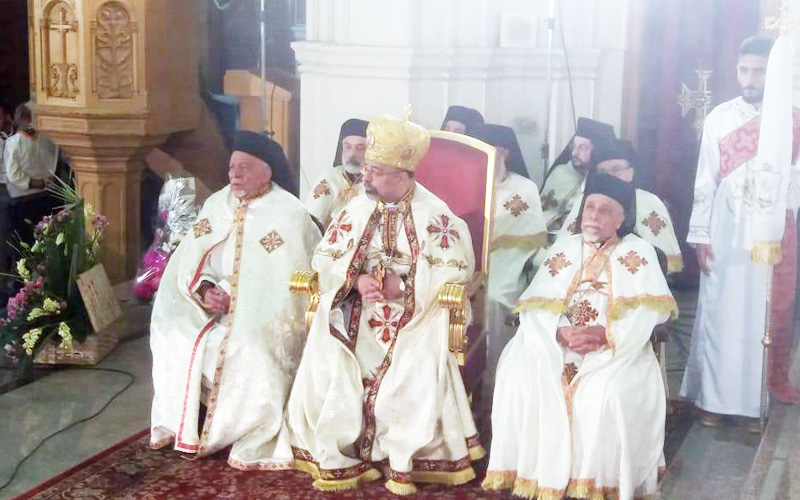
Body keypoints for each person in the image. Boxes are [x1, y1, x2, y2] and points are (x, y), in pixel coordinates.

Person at [288, 113, 485, 495]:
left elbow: (455, 272)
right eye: (367, 168)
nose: (366, 177)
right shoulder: (356, 207)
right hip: (358, 305)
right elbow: (325, 257)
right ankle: (344, 447)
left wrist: (405, 287)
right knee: (331, 342)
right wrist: (355, 281)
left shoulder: (435, 215)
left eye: (376, 172)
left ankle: (398, 453)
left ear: (403, 175)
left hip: (418, 312)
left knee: (415, 359)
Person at [483, 173, 677, 500]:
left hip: (614, 350)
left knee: (604, 394)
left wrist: (606, 333)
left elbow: (650, 313)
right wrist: (559, 329)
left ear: (622, 218)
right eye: (590, 208)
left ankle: (593, 483)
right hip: (555, 341)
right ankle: (534, 475)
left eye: (605, 210)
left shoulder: (639, 252)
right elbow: (536, 301)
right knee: (518, 375)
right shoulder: (564, 248)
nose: (594, 216)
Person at [149, 131, 320, 470]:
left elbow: (284, 277)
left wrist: (233, 294)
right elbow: (191, 258)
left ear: (267, 171)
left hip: (266, 308)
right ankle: (187, 424)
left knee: (247, 346)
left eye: (245, 167)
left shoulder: (289, 213)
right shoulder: (216, 204)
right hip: (209, 305)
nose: (235, 175)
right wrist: (205, 289)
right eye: (231, 167)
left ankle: (243, 429)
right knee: (173, 332)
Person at [680, 36, 800, 427]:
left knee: (762, 315)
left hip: (771, 232)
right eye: (744, 70)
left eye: (759, 72)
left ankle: (754, 403)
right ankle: (714, 401)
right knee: (722, 312)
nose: (749, 79)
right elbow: (705, 179)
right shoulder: (720, 117)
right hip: (726, 230)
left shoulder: (792, 120)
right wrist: (701, 235)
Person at [469, 123, 547, 396]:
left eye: (494, 153)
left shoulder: (524, 188)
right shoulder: (465, 183)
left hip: (508, 260)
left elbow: (532, 238)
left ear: (505, 153)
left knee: (494, 298)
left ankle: (494, 383)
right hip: (466, 258)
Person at [557, 138, 684, 274]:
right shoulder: (585, 201)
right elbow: (565, 249)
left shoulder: (649, 202)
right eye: (603, 171)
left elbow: (667, 263)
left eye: (616, 169)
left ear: (631, 172)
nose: (610, 176)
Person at [540, 117, 616, 233]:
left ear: (598, 151)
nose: (575, 153)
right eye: (574, 146)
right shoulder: (561, 172)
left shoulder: (609, 182)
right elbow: (542, 213)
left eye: (583, 148)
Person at [304, 118, 368, 227]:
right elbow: (310, 222)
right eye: (348, 147)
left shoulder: (377, 183)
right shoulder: (329, 178)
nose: (352, 154)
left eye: (360, 148)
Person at [2, 104, 58, 199]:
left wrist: (40, 183)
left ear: (17, 117)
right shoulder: (50, 138)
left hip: (22, 198)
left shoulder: (13, 142)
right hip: (48, 193)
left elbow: (14, 176)